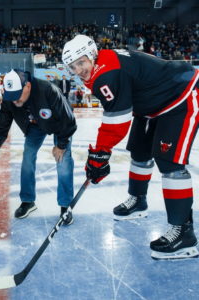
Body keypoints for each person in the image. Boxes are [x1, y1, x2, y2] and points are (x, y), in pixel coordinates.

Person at [62, 34, 199, 260]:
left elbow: (117, 122)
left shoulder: (106, 72)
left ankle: (184, 233)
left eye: (81, 62)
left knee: (170, 162)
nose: (78, 70)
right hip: (154, 103)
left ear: (92, 55)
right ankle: (138, 201)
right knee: (139, 150)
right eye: (73, 66)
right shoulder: (103, 64)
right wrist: (100, 153)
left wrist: (99, 154)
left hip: (181, 96)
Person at [0, 69, 77, 223]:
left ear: (27, 86)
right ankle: (28, 200)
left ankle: (66, 205)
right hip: (34, 126)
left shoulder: (48, 90)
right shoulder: (10, 98)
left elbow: (69, 120)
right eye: (11, 97)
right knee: (27, 158)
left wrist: (61, 144)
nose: (14, 101)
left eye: (17, 96)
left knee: (63, 162)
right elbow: (2, 126)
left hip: (60, 125)